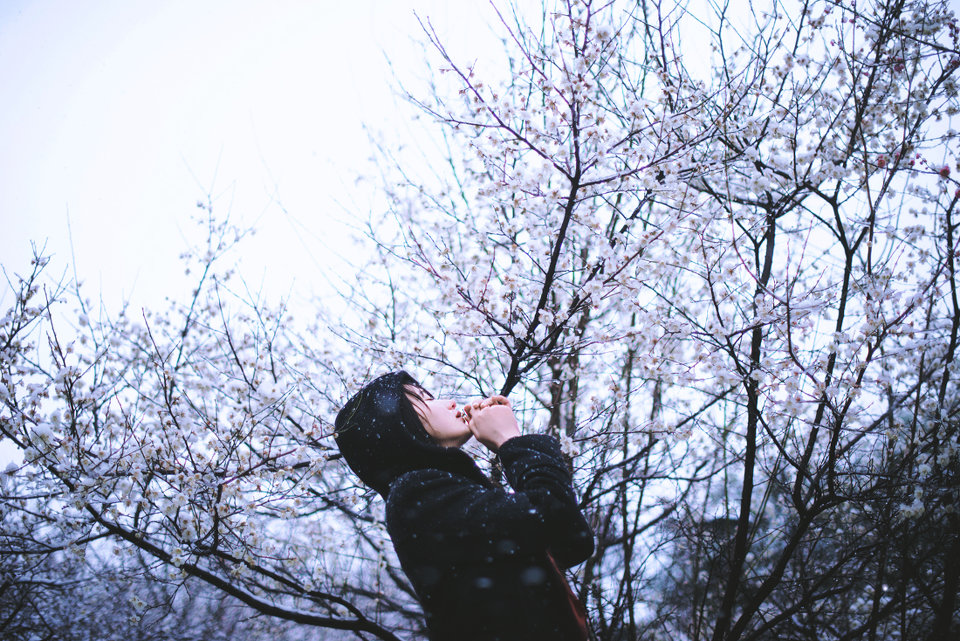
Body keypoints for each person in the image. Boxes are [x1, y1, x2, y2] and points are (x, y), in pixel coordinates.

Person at [334, 371, 594, 641]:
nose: (448, 403)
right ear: (395, 426)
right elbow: (555, 516)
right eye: (423, 398)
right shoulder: (415, 493)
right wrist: (510, 441)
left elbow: (573, 542)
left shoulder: (448, 492)